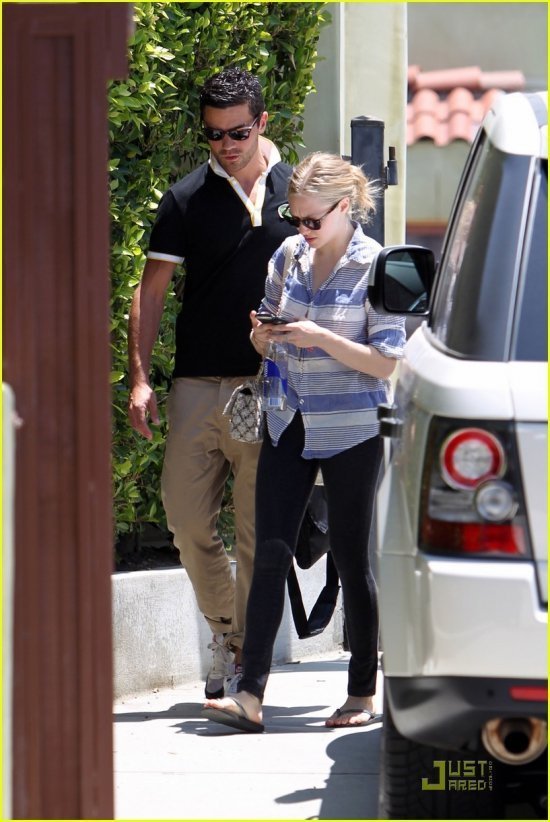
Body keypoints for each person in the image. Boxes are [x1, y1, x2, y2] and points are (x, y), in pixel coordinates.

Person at [202, 152, 406, 732]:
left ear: (345, 207)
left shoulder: (378, 265)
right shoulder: (288, 255)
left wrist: (319, 337)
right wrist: (263, 335)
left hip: (352, 426)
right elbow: (267, 335)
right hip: (287, 415)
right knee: (268, 551)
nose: (302, 228)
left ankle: (361, 694)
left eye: (313, 219)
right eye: (295, 217)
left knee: (351, 555)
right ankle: (251, 695)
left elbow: (386, 361)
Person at [128, 66, 296, 699]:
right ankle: (227, 629)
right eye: (214, 134)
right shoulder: (185, 199)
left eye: (238, 132)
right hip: (198, 383)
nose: (226, 144)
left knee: (254, 530)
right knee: (184, 518)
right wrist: (139, 379)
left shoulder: (297, 191)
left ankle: (244, 657)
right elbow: (150, 294)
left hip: (267, 384)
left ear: (262, 123)